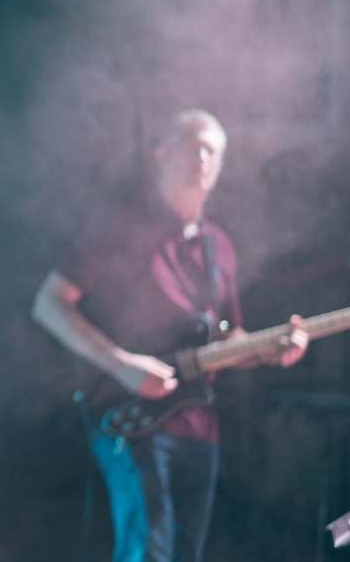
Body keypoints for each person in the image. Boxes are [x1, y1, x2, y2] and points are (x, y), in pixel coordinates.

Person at [31, 109, 308, 562]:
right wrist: (121, 363)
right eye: (191, 146)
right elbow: (49, 304)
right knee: (147, 548)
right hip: (129, 417)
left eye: (212, 151)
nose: (202, 158)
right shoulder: (121, 225)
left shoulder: (219, 245)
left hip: (200, 425)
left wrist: (269, 351)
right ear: (161, 153)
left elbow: (222, 342)